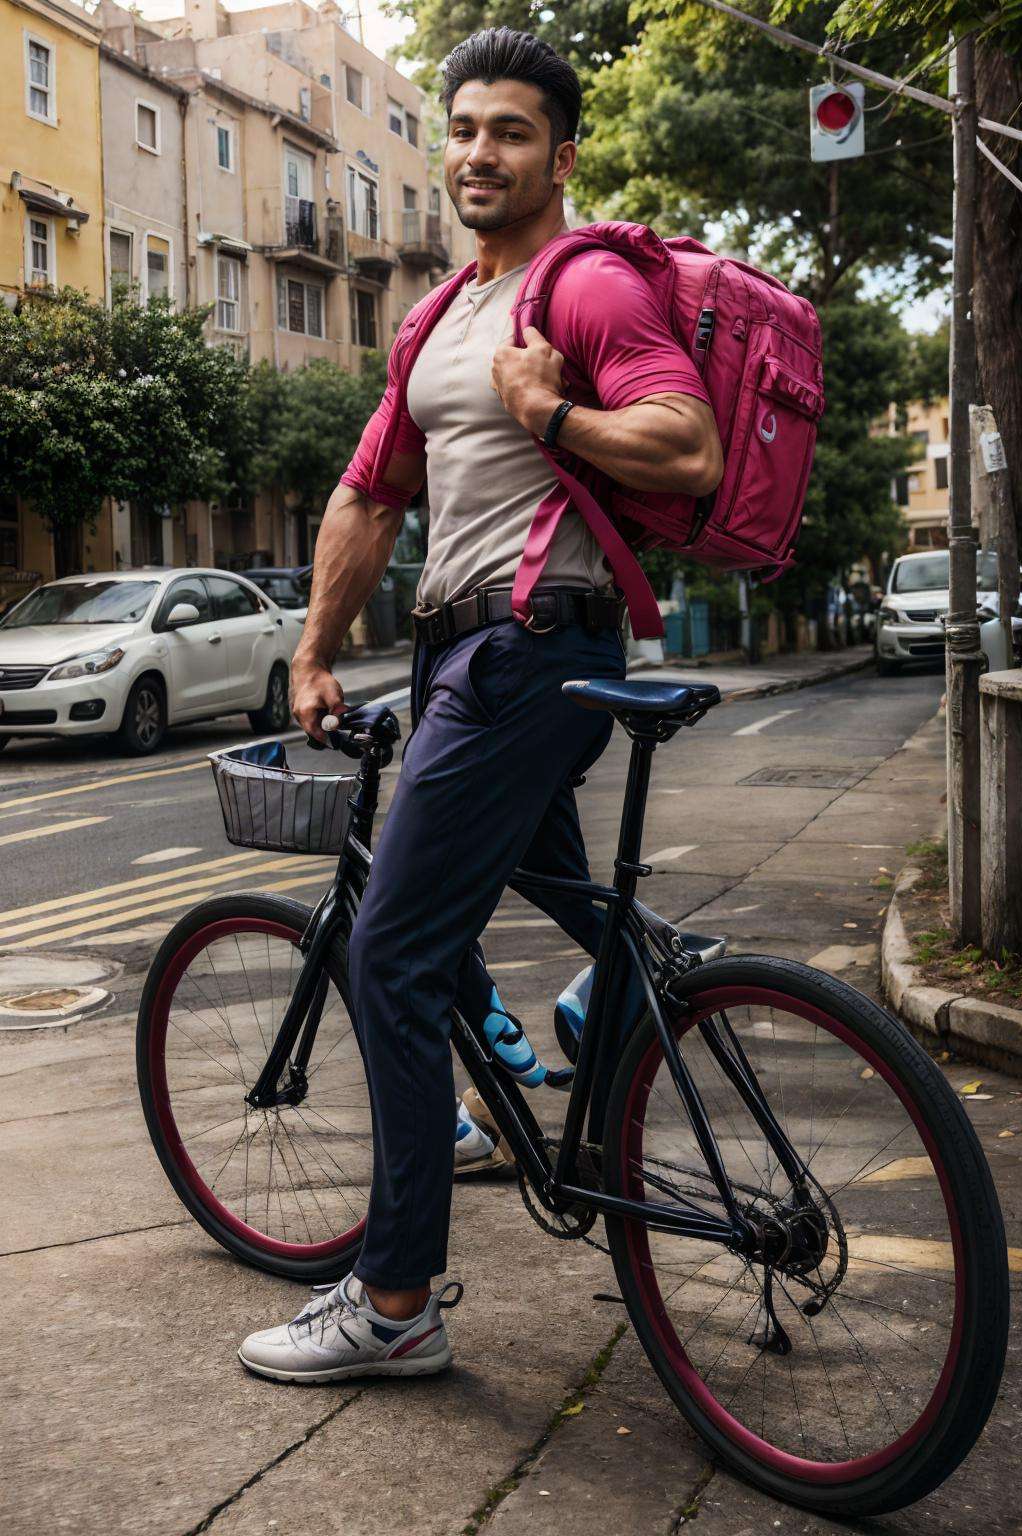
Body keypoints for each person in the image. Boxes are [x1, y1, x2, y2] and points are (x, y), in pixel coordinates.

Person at [238, 25, 722, 1384]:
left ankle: (393, 1303)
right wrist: (316, 649)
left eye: (509, 132)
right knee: (552, 905)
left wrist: (552, 417)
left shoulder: (584, 288)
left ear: (558, 156)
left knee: (387, 951)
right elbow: (369, 490)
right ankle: (634, 981)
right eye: (461, 129)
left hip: (530, 652)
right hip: (465, 659)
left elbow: (689, 448)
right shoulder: (437, 314)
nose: (477, 152)